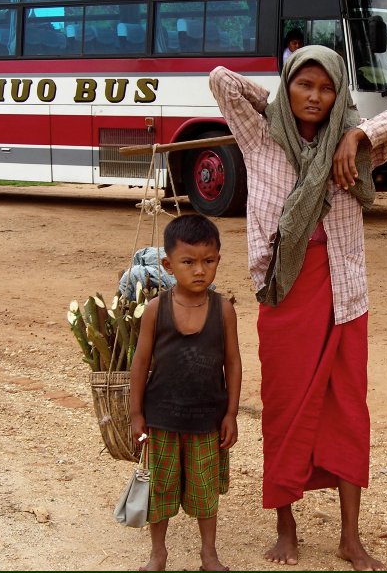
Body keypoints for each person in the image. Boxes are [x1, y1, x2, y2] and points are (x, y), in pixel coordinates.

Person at [209, 45, 387, 571]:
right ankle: (286, 526)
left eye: (326, 88)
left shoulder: (353, 150)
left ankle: (350, 538)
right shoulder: (260, 139)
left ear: (339, 96)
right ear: (287, 87)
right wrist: (274, 104)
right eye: (303, 85)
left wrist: (356, 134)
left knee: (349, 411)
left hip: (345, 296)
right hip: (285, 296)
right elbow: (221, 80)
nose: (315, 96)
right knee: (284, 409)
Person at [129, 213, 242, 572]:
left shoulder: (223, 310)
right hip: (161, 418)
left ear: (218, 261)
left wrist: (231, 414)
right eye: (188, 262)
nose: (199, 271)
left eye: (208, 262)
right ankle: (157, 553)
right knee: (159, 491)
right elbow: (140, 363)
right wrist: (135, 414)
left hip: (206, 420)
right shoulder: (155, 310)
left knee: (205, 491)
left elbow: (233, 363)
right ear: (168, 265)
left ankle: (209, 554)